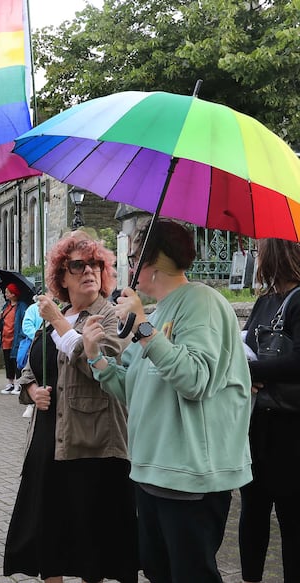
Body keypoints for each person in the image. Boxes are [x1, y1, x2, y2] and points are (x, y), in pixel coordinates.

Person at [82, 219, 252, 582]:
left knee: (191, 574)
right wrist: (96, 357)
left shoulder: (201, 302)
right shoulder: (156, 313)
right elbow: (132, 390)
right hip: (150, 471)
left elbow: (195, 380)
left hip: (187, 476)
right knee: (159, 572)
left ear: (150, 263)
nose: (128, 265)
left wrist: (144, 330)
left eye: (132, 256)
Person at [4, 230, 138, 583]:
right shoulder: (59, 311)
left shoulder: (111, 315)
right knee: (50, 531)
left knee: (88, 536)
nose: (89, 271)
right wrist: (32, 389)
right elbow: (31, 364)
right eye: (78, 265)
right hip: (49, 438)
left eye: (96, 264)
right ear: (61, 276)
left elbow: (104, 365)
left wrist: (59, 323)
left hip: (90, 441)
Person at [239, 238, 300, 583]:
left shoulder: (299, 300)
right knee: (253, 511)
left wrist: (252, 372)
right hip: (257, 426)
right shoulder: (265, 301)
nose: (257, 255)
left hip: (290, 430)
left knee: (291, 519)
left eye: (261, 249)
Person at [0, 283, 28, 395]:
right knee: (8, 362)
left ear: (13, 294)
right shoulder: (6, 306)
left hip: (16, 339)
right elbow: (0, 325)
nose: (5, 294)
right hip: (5, 339)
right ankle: (10, 383)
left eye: (7, 292)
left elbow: (24, 321)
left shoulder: (22, 306)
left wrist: (22, 336)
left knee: (16, 362)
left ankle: (18, 384)